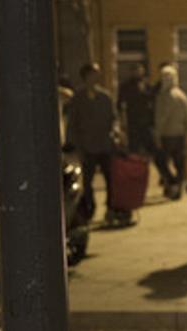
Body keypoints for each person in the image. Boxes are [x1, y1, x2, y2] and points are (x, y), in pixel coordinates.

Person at [67, 62, 121, 224]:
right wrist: (74, 145)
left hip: (105, 145)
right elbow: (72, 124)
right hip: (87, 146)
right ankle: (90, 208)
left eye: (97, 74)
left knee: (110, 179)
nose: (95, 78)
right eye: (92, 74)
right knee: (87, 181)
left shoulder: (105, 97)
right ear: (85, 77)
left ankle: (111, 208)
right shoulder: (78, 98)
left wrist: (116, 132)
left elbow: (114, 118)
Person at [154, 65, 187, 196]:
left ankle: (172, 183)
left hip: (166, 134)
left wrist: (157, 134)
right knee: (179, 163)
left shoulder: (163, 96)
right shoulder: (182, 95)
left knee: (161, 161)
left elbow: (161, 117)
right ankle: (178, 187)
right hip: (180, 134)